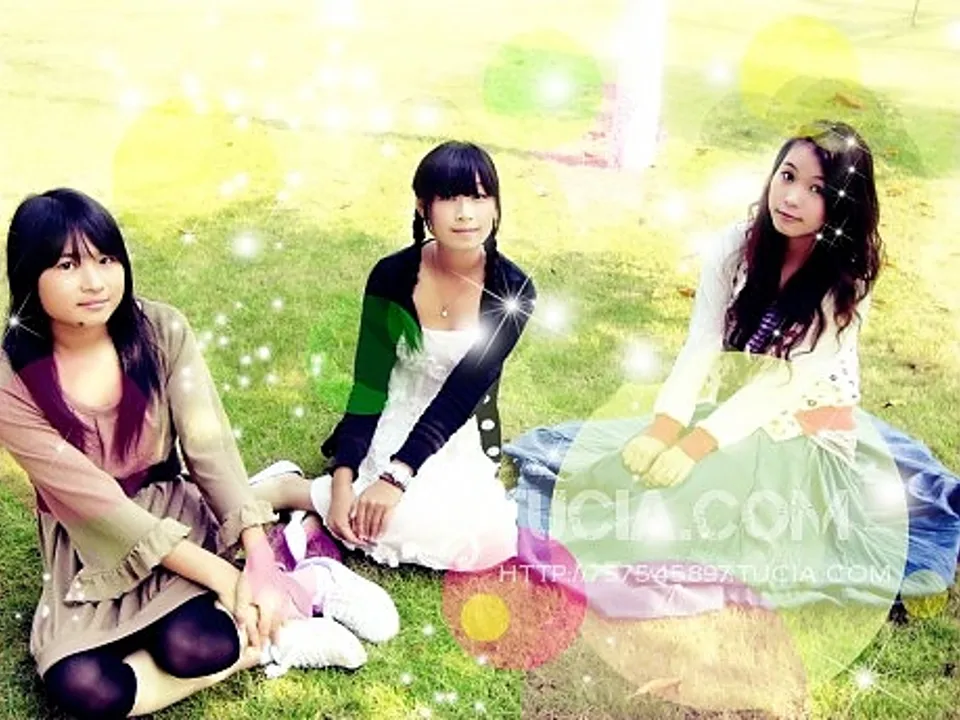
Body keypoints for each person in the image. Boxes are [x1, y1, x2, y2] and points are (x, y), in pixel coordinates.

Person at [507, 120, 953, 616]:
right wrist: (664, 428)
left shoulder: (848, 280)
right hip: (731, 407)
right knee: (635, 464)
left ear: (843, 205)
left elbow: (785, 384)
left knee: (690, 494)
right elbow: (702, 343)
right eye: (787, 176)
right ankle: (584, 503)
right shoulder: (736, 245)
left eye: (817, 190)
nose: (792, 197)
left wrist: (695, 445)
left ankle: (615, 533)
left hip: (805, 431)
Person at [0, 189, 396, 719]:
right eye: (68, 265)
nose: (95, 282)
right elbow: (100, 507)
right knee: (86, 689)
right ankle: (269, 643)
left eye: (106, 259)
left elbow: (209, 449)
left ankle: (303, 577)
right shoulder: (11, 380)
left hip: (171, 513)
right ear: (30, 275)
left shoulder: (160, 330)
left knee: (196, 646)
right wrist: (228, 578)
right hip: (89, 538)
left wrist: (257, 556)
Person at [253, 140, 536, 571]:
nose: (466, 213)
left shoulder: (512, 290)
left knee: (480, 539)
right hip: (391, 414)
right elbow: (369, 385)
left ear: (496, 205)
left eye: (480, 197)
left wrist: (395, 478)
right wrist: (344, 479)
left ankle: (309, 502)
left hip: (451, 430)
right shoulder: (392, 276)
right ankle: (291, 490)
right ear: (423, 207)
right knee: (374, 509)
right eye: (449, 198)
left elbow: (460, 396)